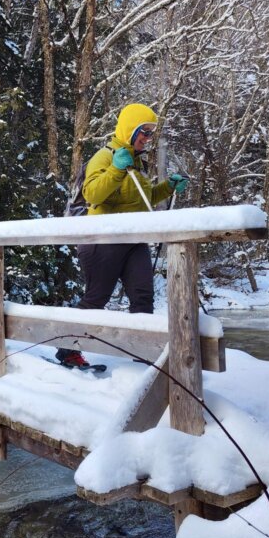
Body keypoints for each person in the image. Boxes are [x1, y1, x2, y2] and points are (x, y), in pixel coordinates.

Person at [55, 103, 189, 370]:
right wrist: (116, 170)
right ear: (130, 129)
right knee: (96, 298)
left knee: (143, 296)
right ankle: (67, 351)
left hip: (133, 240)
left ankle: (142, 356)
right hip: (102, 240)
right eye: (144, 131)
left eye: (151, 133)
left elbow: (143, 198)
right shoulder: (105, 157)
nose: (147, 138)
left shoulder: (138, 162)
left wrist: (168, 187)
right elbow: (92, 194)